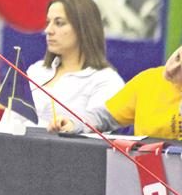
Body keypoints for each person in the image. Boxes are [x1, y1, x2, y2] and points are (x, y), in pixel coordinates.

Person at [18, 0, 124, 126]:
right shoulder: (36, 70)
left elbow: (97, 136)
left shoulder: (106, 80)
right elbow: (10, 122)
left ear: (83, 28)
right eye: (48, 22)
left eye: (59, 23)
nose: (48, 30)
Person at [49, 45, 182, 140]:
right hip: (145, 169)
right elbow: (104, 117)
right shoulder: (149, 79)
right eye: (177, 57)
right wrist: (74, 124)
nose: (172, 68)